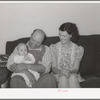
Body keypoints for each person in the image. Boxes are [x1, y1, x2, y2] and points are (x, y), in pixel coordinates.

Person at [50, 22, 84, 88]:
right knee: (63, 79)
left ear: (70, 35)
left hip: (72, 74)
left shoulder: (78, 49)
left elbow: (76, 69)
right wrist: (62, 72)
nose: (61, 38)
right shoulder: (54, 47)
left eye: (64, 36)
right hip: (58, 74)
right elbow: (54, 68)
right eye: (60, 35)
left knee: (72, 78)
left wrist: (70, 73)